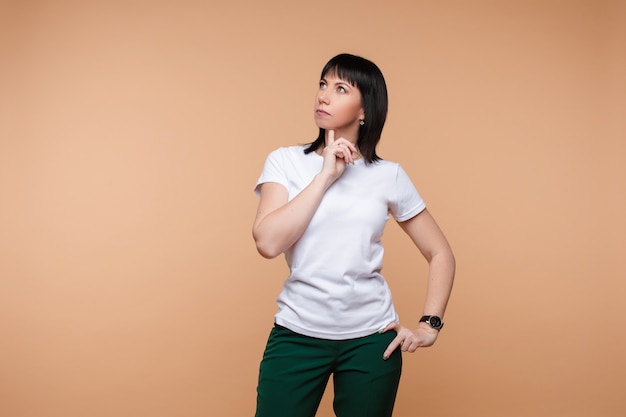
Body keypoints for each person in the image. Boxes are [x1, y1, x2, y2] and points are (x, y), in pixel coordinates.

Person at [252, 53, 455, 417]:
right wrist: (325, 177)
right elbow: (268, 242)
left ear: (365, 110)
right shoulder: (286, 161)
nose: (323, 96)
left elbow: (440, 253)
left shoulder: (388, 175)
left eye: (340, 88)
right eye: (322, 84)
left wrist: (430, 326)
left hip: (370, 342)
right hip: (297, 334)